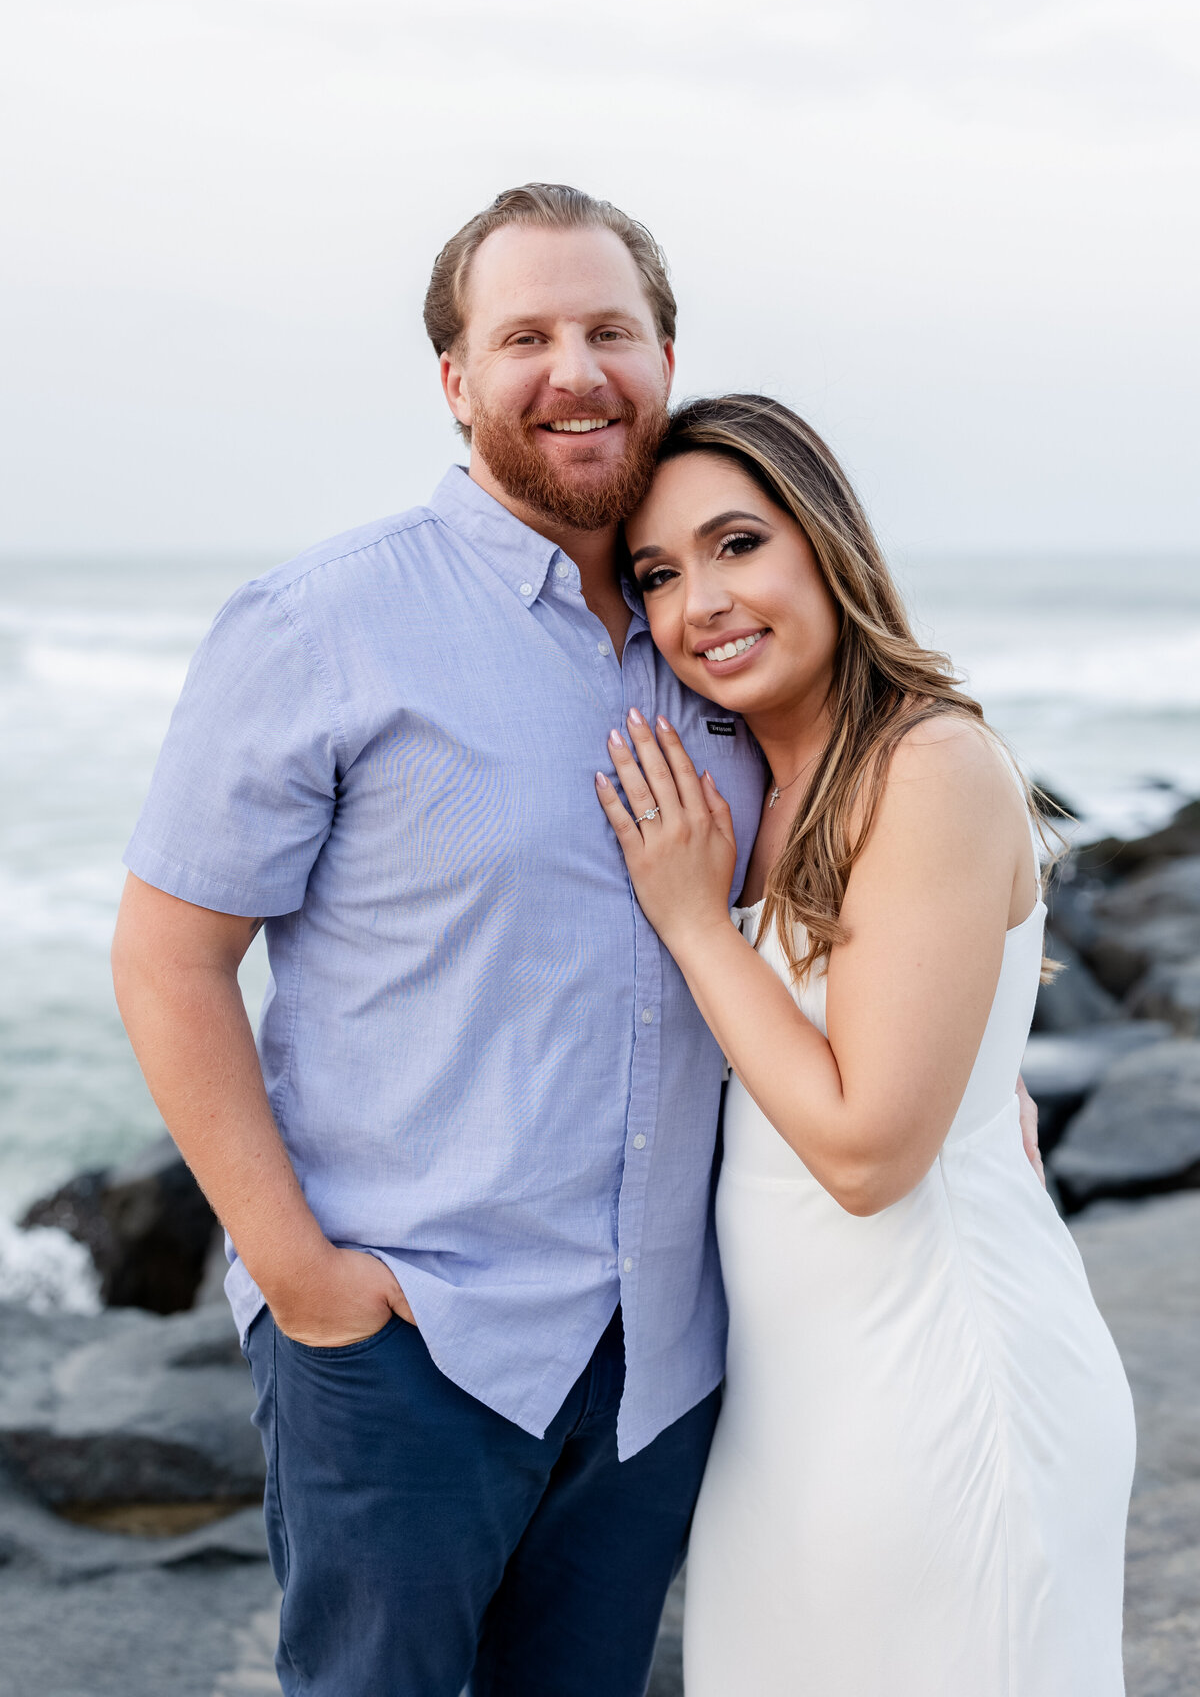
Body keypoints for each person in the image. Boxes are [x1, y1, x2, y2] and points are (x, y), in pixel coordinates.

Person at [109, 183, 773, 1697]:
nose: (576, 371)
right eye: (525, 334)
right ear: (457, 380)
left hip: (658, 1353)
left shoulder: (721, 638)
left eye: (611, 329)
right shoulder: (320, 623)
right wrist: (301, 1277)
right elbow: (167, 956)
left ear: (666, 356)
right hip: (414, 1340)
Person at [596, 394, 1136, 1696]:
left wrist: (691, 919)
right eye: (659, 575)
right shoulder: (771, 790)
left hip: (937, 1389)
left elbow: (866, 1154)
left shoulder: (928, 765)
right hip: (799, 1413)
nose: (700, 601)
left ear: (826, 543)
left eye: (738, 544)